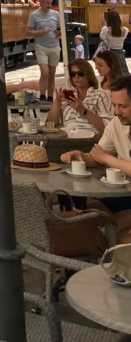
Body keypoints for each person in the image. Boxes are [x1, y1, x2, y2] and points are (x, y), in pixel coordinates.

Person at [61, 75, 131, 237]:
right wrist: (81, 157)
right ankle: (95, 257)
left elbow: (104, 157)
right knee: (87, 214)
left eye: (123, 106)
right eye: (114, 105)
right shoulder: (116, 124)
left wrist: (107, 159)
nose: (116, 112)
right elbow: (98, 155)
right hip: (124, 195)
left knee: (120, 232)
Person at [47, 59, 112, 136]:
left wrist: (83, 110)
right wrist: (57, 102)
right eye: (73, 74)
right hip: (65, 138)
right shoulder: (67, 96)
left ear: (88, 74)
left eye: (80, 73)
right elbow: (51, 124)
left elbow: (107, 128)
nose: (76, 77)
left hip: (88, 139)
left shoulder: (100, 96)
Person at [27, 0, 61, 101]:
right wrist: (41, 32)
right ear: (41, 3)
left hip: (54, 46)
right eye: (47, 3)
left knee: (52, 73)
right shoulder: (34, 15)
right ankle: (42, 95)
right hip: (41, 46)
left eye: (51, 3)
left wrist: (58, 32)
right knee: (45, 71)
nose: (49, 5)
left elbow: (61, 30)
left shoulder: (56, 14)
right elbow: (28, 32)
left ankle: (50, 97)